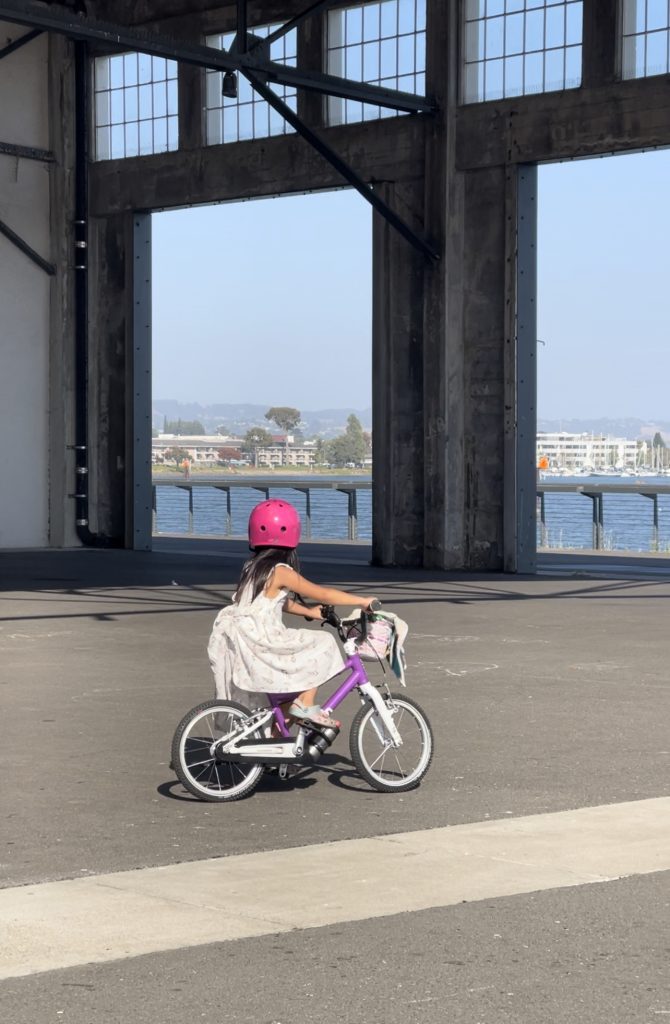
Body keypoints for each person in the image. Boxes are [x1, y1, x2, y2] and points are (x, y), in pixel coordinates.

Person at [208, 498, 377, 727]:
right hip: (263, 638)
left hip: (244, 636)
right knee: (323, 643)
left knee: (289, 690)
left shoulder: (253, 566)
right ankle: (305, 704)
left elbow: (275, 601)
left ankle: (280, 741)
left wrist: (310, 612)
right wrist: (362, 601)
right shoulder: (281, 571)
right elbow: (323, 594)